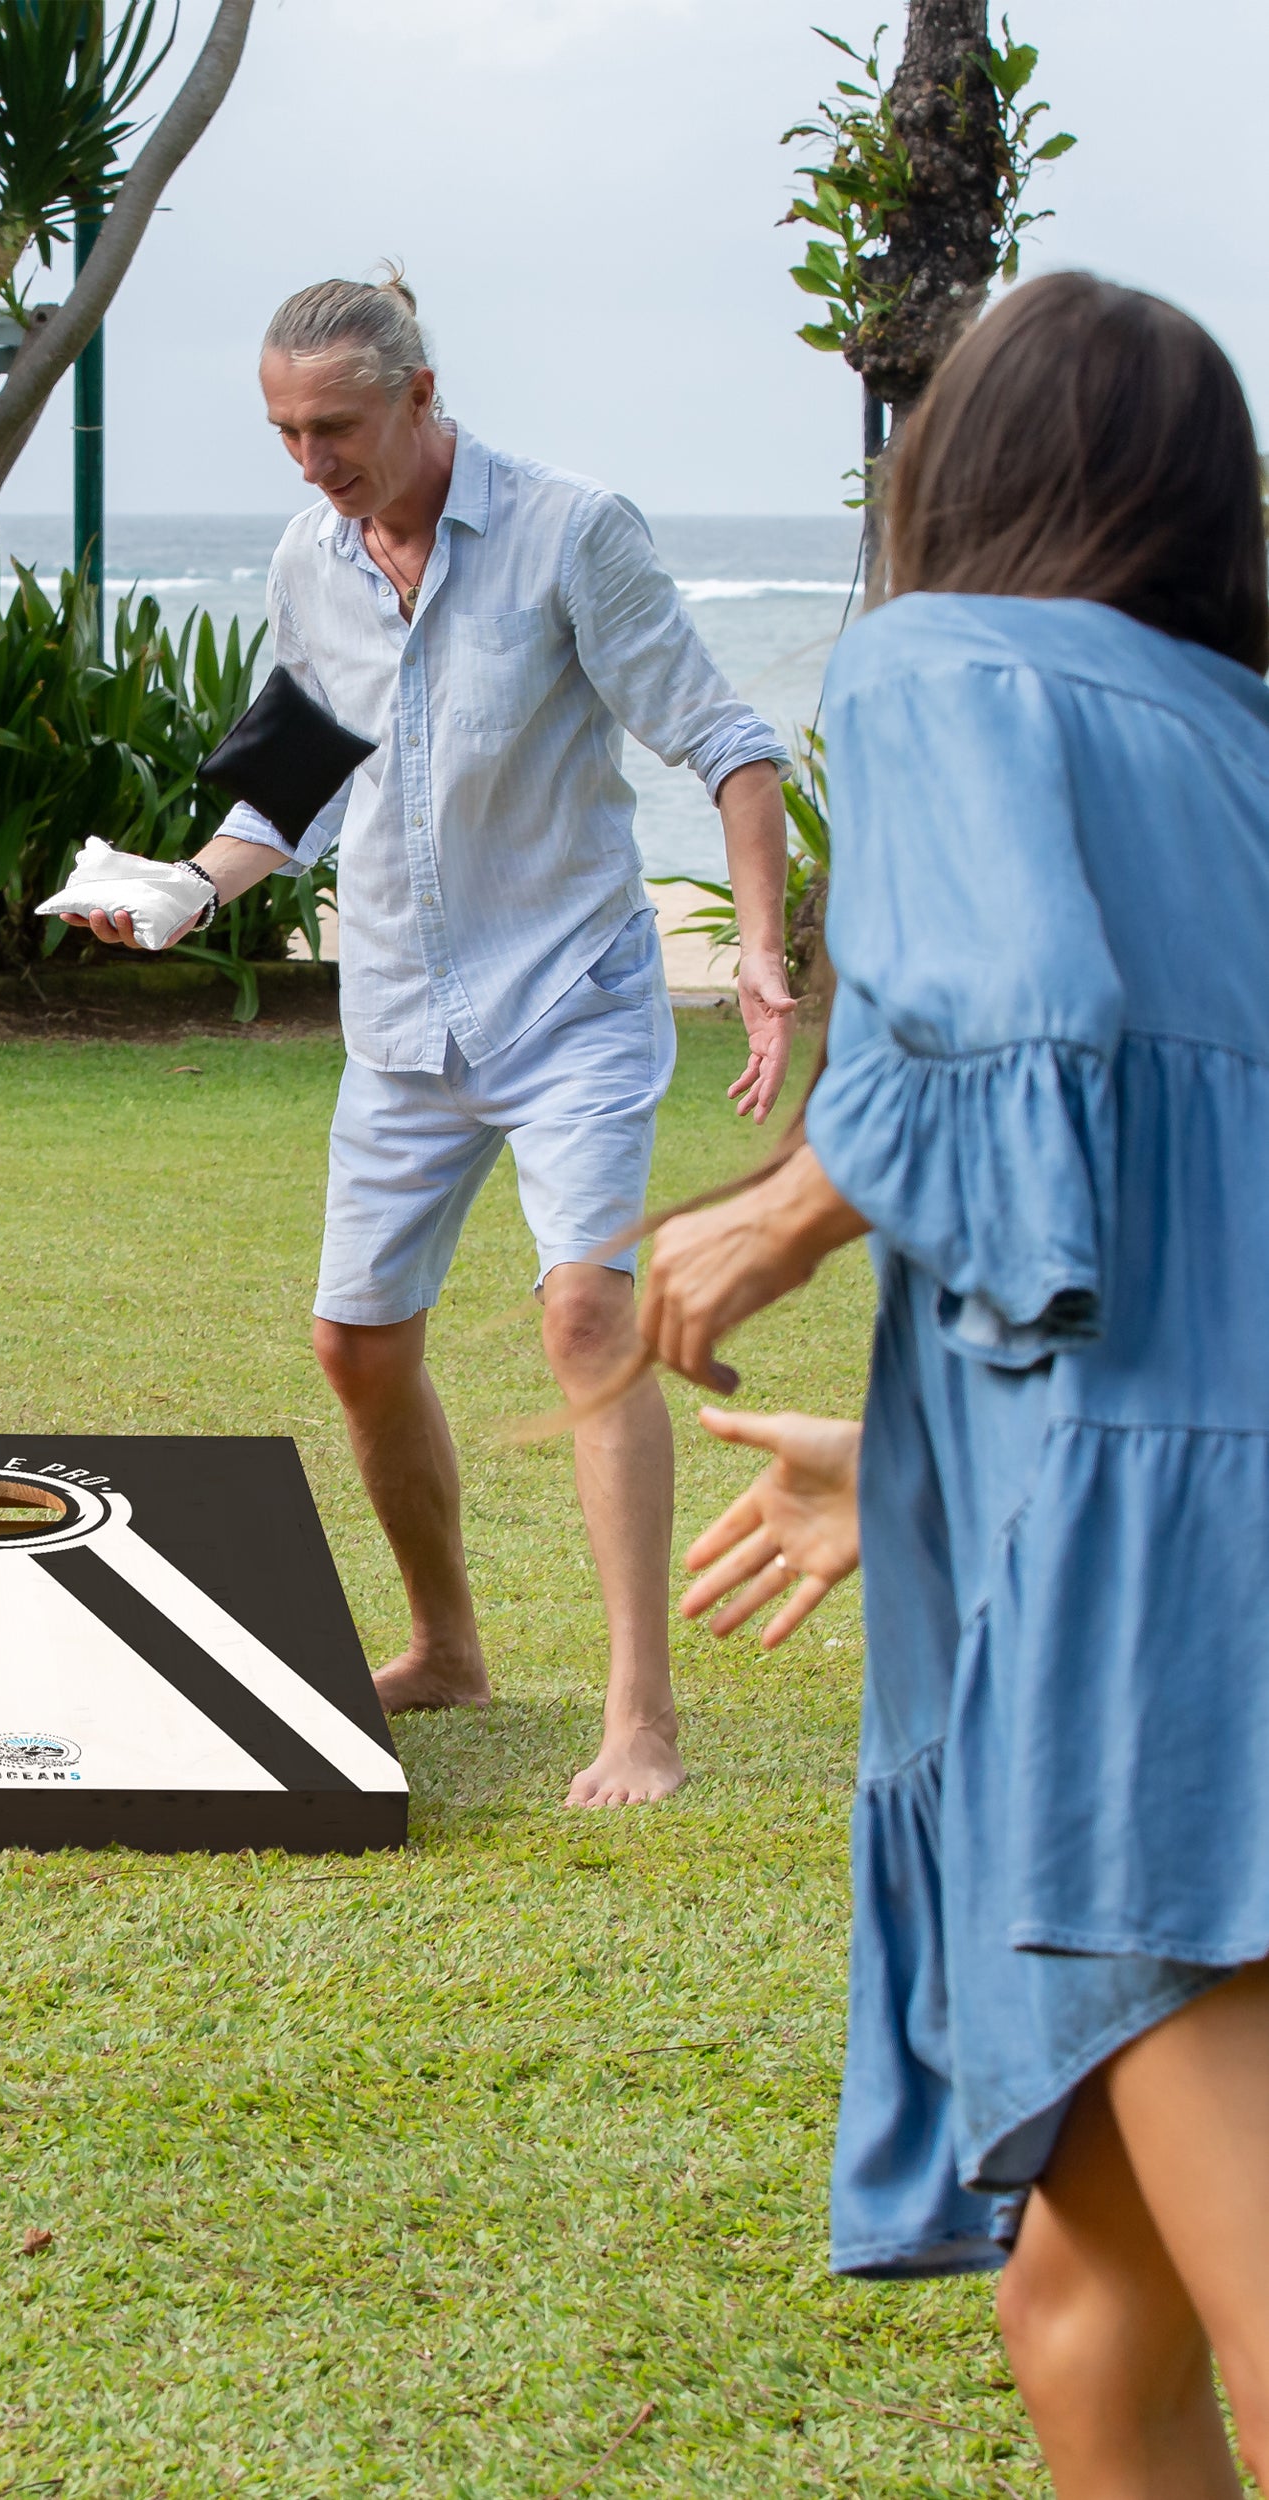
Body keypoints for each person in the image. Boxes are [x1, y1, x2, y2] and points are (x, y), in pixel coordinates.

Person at [640, 273, 1269, 2491]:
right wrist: (906, 1451)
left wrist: (784, 1211)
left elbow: (1018, 1034)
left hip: (1163, 1616)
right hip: (1152, 1515)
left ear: (956, 475)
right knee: (1083, 2307)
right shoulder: (1235, 738)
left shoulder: (940, 662)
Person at [69, 272, 794, 1805]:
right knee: (354, 1346)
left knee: (586, 1323)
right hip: (401, 1010)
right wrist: (189, 894)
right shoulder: (308, 555)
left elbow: (730, 750)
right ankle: (450, 1646)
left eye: (333, 424)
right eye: (282, 429)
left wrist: (768, 961)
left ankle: (640, 1714)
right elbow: (292, 780)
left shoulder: (572, 532)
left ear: (419, 395)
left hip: (572, 1006)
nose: (309, 458)